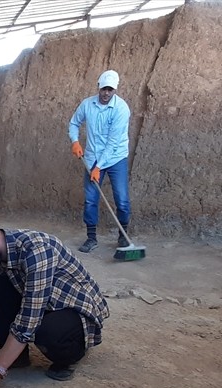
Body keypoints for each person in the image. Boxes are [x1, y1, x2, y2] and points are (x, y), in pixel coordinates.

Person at [0, 207, 110, 388]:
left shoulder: (36, 250)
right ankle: (18, 357)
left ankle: (69, 356)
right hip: (43, 305)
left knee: (47, 332)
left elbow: (28, 321)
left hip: (75, 313)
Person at [68, 69, 132, 253]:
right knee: (90, 199)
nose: (106, 93)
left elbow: (112, 142)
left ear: (115, 90)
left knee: (122, 199)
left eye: (110, 90)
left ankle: (123, 235)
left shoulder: (121, 109)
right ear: (98, 87)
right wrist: (75, 141)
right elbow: (74, 123)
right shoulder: (87, 105)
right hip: (91, 157)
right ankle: (91, 238)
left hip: (115, 158)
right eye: (103, 88)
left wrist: (99, 167)